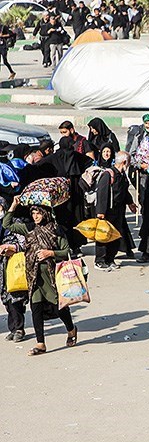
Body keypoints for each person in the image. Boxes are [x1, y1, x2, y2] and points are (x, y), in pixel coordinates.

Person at [4, 197, 78, 356]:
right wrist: (14, 205)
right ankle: (41, 343)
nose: (36, 216)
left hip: (51, 275)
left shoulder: (56, 230)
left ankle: (71, 330)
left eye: (38, 212)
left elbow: (66, 251)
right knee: (35, 308)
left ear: (45, 213)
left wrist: (50, 253)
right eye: (33, 213)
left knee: (60, 307)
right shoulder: (29, 228)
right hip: (34, 275)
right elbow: (7, 224)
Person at [94, 152, 136, 270]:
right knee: (104, 235)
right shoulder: (108, 175)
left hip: (118, 211)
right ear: (124, 162)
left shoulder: (121, 175)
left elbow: (124, 191)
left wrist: (130, 203)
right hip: (107, 211)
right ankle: (100, 260)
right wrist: (101, 212)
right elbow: (102, 193)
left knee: (115, 236)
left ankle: (110, 259)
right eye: (128, 162)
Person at [0, 196, 27, 342]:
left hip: (13, 265)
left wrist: (12, 247)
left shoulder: (15, 223)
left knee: (15, 298)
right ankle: (13, 328)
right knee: (5, 299)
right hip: (0, 268)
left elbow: (25, 242)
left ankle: (19, 328)